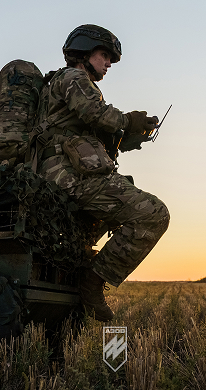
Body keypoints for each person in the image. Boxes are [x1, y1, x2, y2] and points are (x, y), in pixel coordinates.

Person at [31, 24, 170, 321]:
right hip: (68, 175)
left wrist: (127, 137)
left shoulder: (70, 82)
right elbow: (94, 113)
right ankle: (92, 283)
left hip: (73, 173)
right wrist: (129, 121)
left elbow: (86, 127)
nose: (108, 63)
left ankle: (84, 274)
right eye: (104, 55)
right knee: (153, 213)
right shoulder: (73, 77)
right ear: (84, 52)